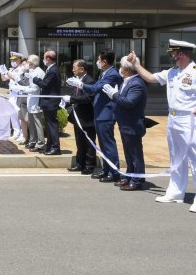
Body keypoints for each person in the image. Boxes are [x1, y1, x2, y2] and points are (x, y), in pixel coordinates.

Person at [128, 40, 196, 212]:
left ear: (182, 54)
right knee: (176, 157)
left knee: (195, 159)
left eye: (173, 53)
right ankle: (176, 192)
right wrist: (136, 64)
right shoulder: (172, 72)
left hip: (191, 120)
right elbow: (150, 78)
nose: (171, 55)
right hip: (173, 119)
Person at [67, 49, 123, 183]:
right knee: (103, 145)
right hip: (100, 113)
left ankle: (114, 172)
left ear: (104, 62)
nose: (97, 62)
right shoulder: (105, 73)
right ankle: (106, 169)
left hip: (106, 113)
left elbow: (94, 89)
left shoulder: (112, 74)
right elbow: (97, 86)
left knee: (108, 145)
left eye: (99, 60)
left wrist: (80, 84)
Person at [103, 55, 147, 191]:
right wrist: (116, 95)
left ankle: (137, 179)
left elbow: (129, 102)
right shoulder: (127, 81)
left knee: (135, 154)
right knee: (128, 153)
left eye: (121, 67)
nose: (120, 69)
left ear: (127, 69)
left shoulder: (136, 84)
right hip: (125, 122)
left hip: (132, 123)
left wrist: (114, 95)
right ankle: (129, 176)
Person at [62, 59, 97, 174]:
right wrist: (66, 102)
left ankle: (89, 165)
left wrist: (71, 99)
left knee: (88, 142)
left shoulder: (89, 81)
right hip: (78, 117)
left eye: (74, 67)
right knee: (79, 141)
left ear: (81, 69)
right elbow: (74, 95)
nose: (72, 70)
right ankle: (79, 163)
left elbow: (87, 98)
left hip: (87, 117)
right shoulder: (77, 80)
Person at [12, 54, 45, 152]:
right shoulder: (33, 71)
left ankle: (40, 143)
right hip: (31, 101)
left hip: (36, 101)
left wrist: (20, 88)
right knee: (31, 124)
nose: (28, 64)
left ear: (33, 63)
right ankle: (33, 141)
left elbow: (34, 89)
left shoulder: (38, 72)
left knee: (37, 123)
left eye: (30, 63)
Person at [32, 50, 62, 155]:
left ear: (48, 59)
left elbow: (45, 84)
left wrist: (35, 79)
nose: (43, 60)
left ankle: (55, 147)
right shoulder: (50, 69)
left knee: (52, 125)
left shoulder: (53, 70)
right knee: (49, 126)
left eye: (44, 57)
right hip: (48, 102)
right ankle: (49, 146)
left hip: (50, 102)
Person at [0, 51, 27, 142]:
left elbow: (15, 77)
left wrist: (7, 72)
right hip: (12, 94)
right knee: (12, 114)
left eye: (15, 60)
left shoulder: (22, 69)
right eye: (12, 60)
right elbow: (4, 79)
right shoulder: (11, 69)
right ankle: (16, 132)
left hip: (18, 94)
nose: (13, 62)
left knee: (19, 115)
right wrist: (2, 72)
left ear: (19, 60)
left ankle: (23, 134)